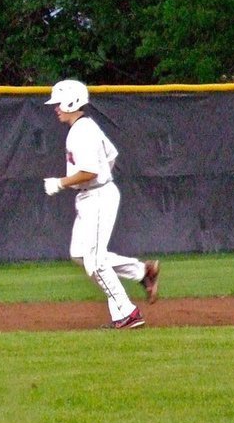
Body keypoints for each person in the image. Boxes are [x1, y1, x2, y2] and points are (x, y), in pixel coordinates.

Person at [42, 79, 160, 329]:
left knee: (94, 262)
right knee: (80, 254)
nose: (56, 108)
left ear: (72, 101)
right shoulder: (86, 127)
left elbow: (90, 172)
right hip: (93, 195)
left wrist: (61, 183)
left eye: (59, 103)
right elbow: (112, 155)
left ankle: (127, 313)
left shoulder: (81, 132)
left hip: (97, 196)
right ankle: (142, 272)